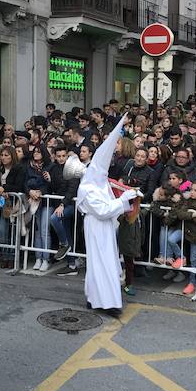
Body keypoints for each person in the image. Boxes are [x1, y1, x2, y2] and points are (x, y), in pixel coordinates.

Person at [75, 115, 138, 318]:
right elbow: (102, 210)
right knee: (101, 263)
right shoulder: (88, 188)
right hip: (96, 226)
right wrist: (123, 200)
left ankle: (97, 298)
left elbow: (109, 204)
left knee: (107, 262)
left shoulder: (99, 183)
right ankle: (106, 301)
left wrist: (125, 196)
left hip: (105, 228)